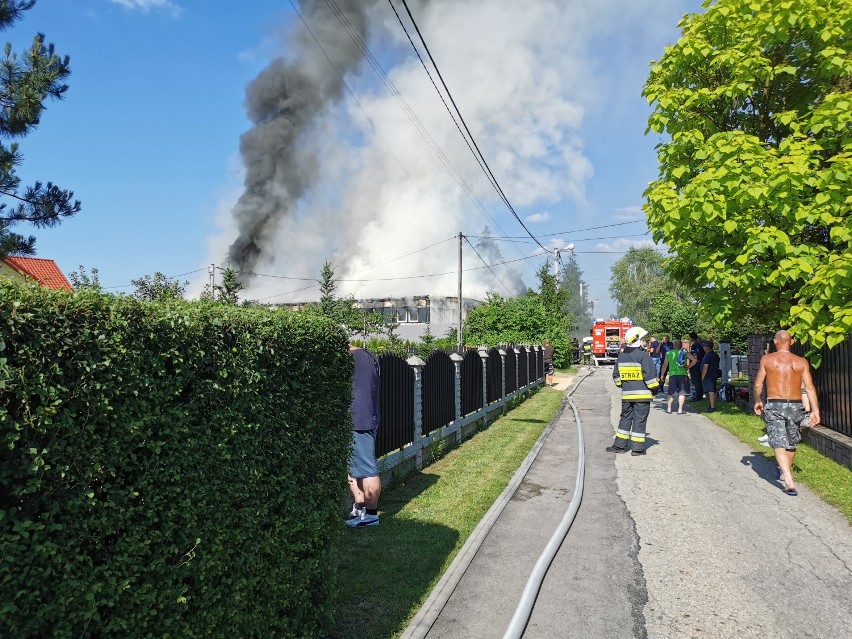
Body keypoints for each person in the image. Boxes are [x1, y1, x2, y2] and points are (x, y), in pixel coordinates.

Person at [753, 330, 821, 496]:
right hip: (796, 405)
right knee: (791, 442)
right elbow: (810, 388)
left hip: (775, 404)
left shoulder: (767, 359)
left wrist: (758, 401)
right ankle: (785, 473)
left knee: (778, 441)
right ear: (791, 342)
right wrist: (815, 411)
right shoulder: (801, 362)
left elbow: (758, 385)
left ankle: (788, 478)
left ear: (775, 342)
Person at [607, 326, 661, 456]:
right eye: (643, 339)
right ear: (637, 340)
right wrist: (655, 389)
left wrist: (625, 385)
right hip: (642, 396)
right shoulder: (643, 356)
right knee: (639, 420)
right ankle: (637, 449)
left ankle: (619, 446)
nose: (645, 342)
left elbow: (616, 376)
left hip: (627, 395)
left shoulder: (621, 357)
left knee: (625, 418)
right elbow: (650, 377)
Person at [346, 344, 382, 528]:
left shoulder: (357, 359)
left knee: (367, 468)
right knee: (354, 467)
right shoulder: (367, 356)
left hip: (359, 419)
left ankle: (371, 515)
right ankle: (360, 508)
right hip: (362, 417)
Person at [659, 338, 690, 414]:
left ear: (673, 345)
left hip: (673, 374)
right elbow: (695, 360)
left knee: (671, 392)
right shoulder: (684, 353)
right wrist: (688, 367)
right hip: (683, 374)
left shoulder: (669, 353)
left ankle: (669, 409)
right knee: (682, 393)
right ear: (680, 346)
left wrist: (662, 375)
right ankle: (680, 410)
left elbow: (664, 365)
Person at [700, 340, 721, 412]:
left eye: (704, 346)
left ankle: (712, 407)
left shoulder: (708, 355)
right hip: (714, 374)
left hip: (708, 375)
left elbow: (705, 366)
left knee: (710, 391)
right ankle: (712, 405)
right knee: (713, 390)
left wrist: (703, 376)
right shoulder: (715, 354)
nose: (703, 348)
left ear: (707, 347)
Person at [688, 331, 704, 401]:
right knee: (699, 381)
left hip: (695, 365)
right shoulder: (700, 345)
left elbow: (695, 356)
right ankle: (700, 394)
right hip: (700, 364)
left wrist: (689, 357)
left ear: (691, 338)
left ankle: (698, 396)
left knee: (696, 381)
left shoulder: (695, 345)